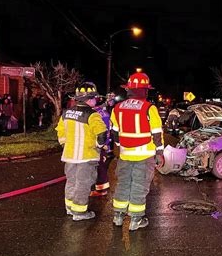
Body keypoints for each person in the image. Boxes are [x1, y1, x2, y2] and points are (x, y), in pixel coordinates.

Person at [110, 71, 164, 231]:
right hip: (144, 155)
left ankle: (118, 216)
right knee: (139, 186)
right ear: (145, 91)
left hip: (125, 154)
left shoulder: (117, 108)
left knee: (123, 183)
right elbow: (156, 134)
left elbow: (114, 132)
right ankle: (136, 220)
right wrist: (159, 154)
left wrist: (120, 147)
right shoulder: (149, 108)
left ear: (128, 90)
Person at [55, 82, 108, 221]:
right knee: (83, 184)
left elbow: (60, 132)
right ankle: (79, 212)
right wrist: (99, 146)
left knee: (71, 182)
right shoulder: (92, 115)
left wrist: (65, 145)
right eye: (94, 98)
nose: (96, 100)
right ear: (89, 99)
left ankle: (70, 208)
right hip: (86, 156)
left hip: (69, 156)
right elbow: (102, 134)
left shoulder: (66, 113)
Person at [90, 98, 113, 197]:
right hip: (105, 144)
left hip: (97, 144)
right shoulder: (105, 113)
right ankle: (101, 188)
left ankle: (101, 190)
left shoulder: (94, 114)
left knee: (99, 167)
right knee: (101, 166)